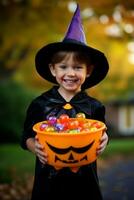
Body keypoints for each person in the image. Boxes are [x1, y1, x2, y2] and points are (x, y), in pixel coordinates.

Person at [21, 4, 109, 200]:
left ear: (89, 71)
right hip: (48, 180)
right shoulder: (40, 104)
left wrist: (105, 140)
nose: (70, 73)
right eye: (63, 67)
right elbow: (26, 136)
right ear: (53, 70)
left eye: (78, 67)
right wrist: (35, 147)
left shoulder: (95, 106)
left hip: (85, 181)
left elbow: (102, 133)